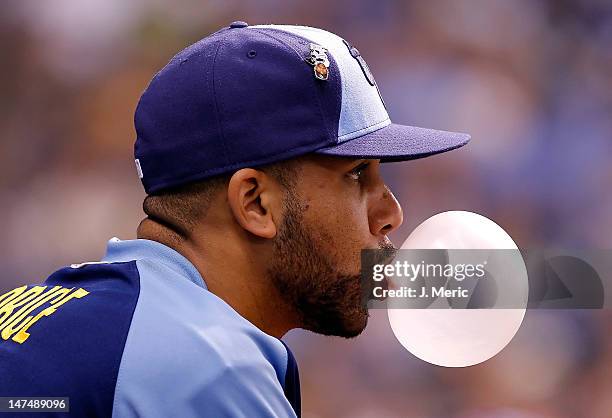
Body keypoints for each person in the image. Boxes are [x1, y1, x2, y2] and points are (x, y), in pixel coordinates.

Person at [0, 22, 469, 417]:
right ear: (255, 203)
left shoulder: (47, 309)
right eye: (355, 176)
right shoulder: (207, 362)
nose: (391, 212)